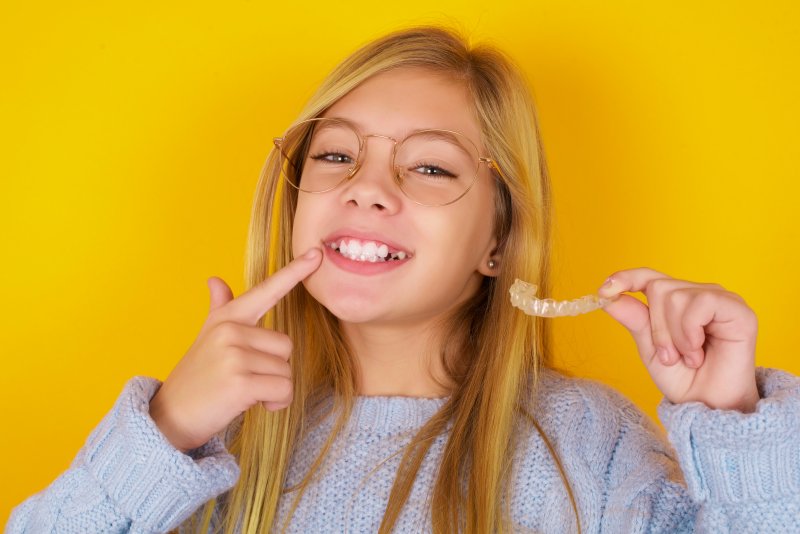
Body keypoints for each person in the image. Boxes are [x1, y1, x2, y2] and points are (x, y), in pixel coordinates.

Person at [6, 25, 799, 534]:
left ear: (499, 239)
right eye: (336, 154)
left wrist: (730, 420)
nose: (366, 187)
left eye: (428, 165)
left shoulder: (591, 445)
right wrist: (168, 429)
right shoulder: (212, 448)